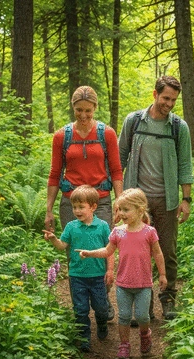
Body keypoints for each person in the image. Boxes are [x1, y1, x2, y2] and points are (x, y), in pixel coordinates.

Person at [118, 76, 194, 320]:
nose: (169, 104)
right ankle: (143, 306)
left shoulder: (178, 127)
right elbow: (119, 158)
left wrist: (186, 199)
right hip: (137, 203)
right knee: (137, 252)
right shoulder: (134, 121)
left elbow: (185, 164)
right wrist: (119, 198)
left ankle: (168, 298)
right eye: (165, 98)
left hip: (168, 200)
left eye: (173, 100)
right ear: (155, 94)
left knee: (167, 251)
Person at [45, 86, 123, 320]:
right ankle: (79, 309)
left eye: (88, 111)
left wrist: (119, 199)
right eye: (79, 110)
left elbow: (117, 170)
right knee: (75, 255)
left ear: (95, 109)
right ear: (73, 108)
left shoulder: (106, 134)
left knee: (104, 249)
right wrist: (48, 208)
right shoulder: (62, 136)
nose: (83, 115)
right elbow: (54, 172)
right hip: (71, 202)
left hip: (101, 201)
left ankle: (102, 300)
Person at [77, 188, 167, 359]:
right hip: (123, 284)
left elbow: (158, 253)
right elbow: (107, 251)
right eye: (119, 209)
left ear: (140, 210)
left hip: (143, 284)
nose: (122, 213)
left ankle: (145, 334)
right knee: (124, 316)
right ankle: (124, 345)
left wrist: (162, 275)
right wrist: (89, 253)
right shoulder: (118, 232)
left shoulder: (149, 232)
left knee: (142, 316)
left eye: (126, 210)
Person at [43, 185, 114, 353]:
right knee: (80, 309)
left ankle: (102, 323)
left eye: (81, 207)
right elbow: (62, 246)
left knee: (102, 308)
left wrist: (110, 270)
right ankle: (84, 338)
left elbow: (110, 251)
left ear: (93, 207)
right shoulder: (71, 227)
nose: (77, 210)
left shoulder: (103, 226)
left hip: (97, 276)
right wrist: (53, 239)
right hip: (77, 276)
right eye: (74, 207)